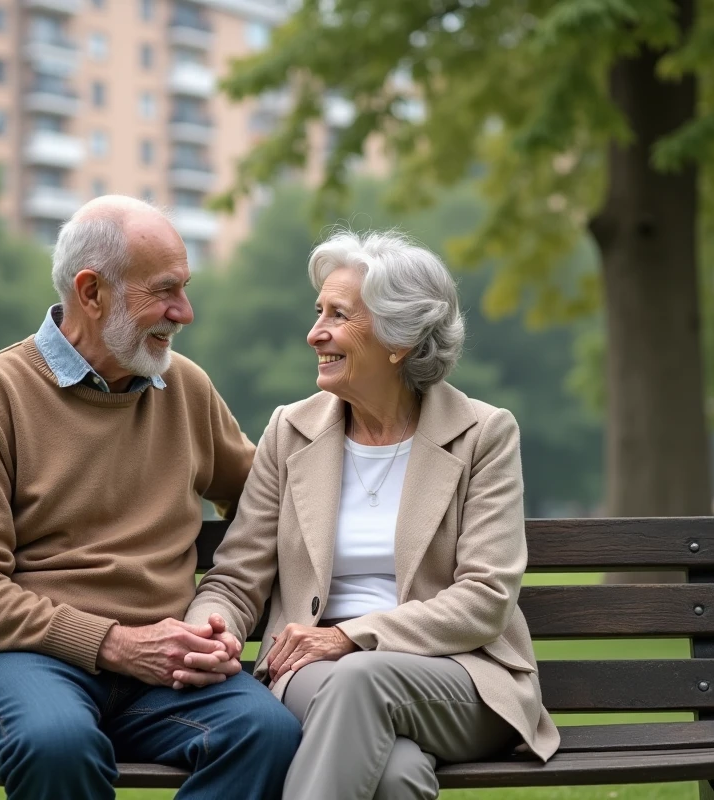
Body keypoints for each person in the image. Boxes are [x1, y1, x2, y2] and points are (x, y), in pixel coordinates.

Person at [0, 196, 301, 800]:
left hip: (158, 673)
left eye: (186, 288)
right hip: (10, 662)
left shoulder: (187, 388)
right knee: (58, 743)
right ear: (91, 292)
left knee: (267, 734)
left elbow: (269, 499)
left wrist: (219, 616)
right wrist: (116, 644)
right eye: (165, 291)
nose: (185, 312)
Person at [185, 230, 559, 800]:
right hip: (311, 674)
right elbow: (238, 577)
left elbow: (485, 597)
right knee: (397, 773)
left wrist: (353, 638)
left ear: (400, 339)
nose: (316, 333)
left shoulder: (482, 434)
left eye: (340, 315)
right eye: (318, 313)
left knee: (362, 681)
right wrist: (212, 627)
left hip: (460, 677)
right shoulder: (291, 431)